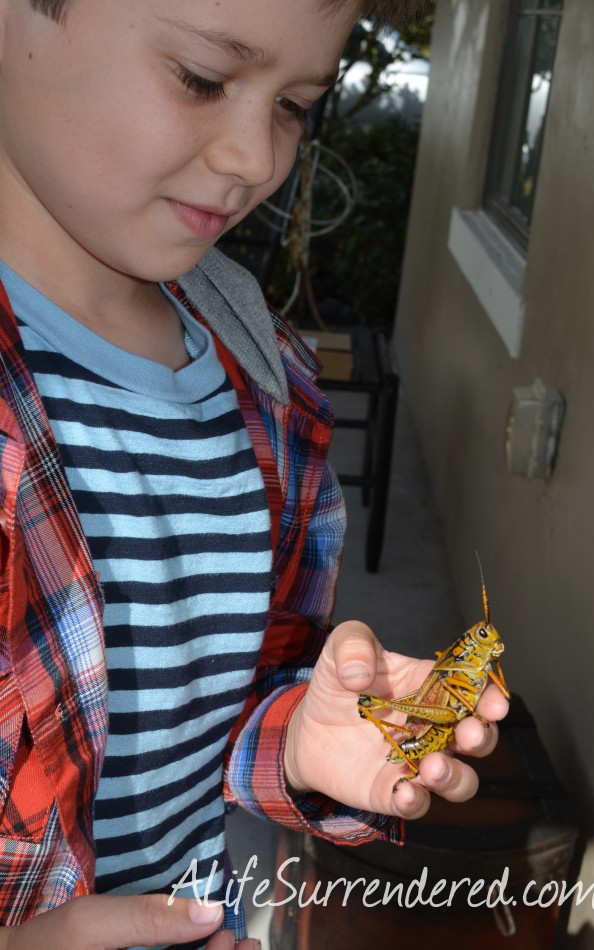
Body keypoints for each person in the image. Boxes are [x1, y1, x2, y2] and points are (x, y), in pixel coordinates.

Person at [0, 0, 509, 947]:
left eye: (293, 105)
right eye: (201, 77)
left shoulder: (268, 376)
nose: (257, 160)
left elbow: (207, 716)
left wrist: (299, 742)